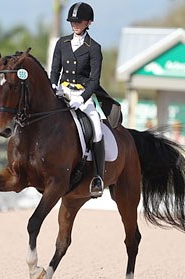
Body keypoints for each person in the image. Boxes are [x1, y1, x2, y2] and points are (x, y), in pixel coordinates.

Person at [50, 2, 121, 197]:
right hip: (62, 93)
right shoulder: (61, 43)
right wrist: (54, 88)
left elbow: (94, 80)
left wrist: (81, 99)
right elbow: (55, 70)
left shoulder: (94, 48)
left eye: (79, 21)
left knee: (97, 130)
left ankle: (98, 177)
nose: (75, 24)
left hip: (83, 95)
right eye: (72, 21)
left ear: (88, 22)